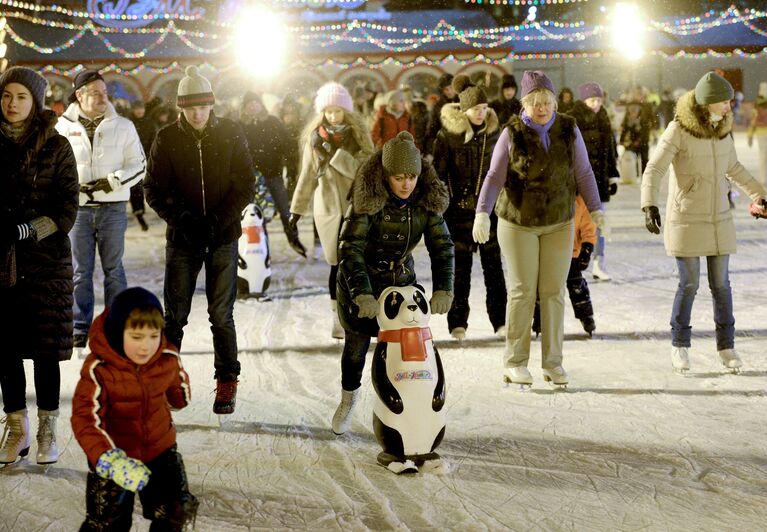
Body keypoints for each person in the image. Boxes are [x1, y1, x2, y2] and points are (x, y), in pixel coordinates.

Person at [472, 70, 603, 388]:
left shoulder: (569, 129)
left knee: (554, 293)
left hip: (559, 221)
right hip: (518, 223)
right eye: (534, 102)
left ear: (555, 102)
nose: (542, 108)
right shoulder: (512, 132)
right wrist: (482, 213)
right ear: (524, 104)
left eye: (546, 101)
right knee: (522, 291)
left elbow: (583, 171)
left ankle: (553, 363)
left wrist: (596, 208)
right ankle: (515, 362)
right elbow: (494, 176)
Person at [144, 66, 255, 414]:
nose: (197, 113)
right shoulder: (167, 137)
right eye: (190, 107)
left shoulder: (230, 133)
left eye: (203, 106)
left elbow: (246, 182)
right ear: (181, 107)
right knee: (174, 315)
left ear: (211, 105)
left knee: (221, 314)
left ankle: (227, 381)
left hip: (223, 236)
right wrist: (183, 219)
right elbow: (153, 189)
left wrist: (221, 218)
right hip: (183, 239)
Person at [641, 71, 767, 374]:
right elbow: (655, 168)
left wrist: (760, 195)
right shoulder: (678, 130)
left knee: (721, 285)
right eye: (724, 101)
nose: (730, 106)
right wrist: (649, 204)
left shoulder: (724, 130)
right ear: (708, 102)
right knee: (689, 283)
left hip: (719, 217)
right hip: (686, 217)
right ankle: (680, 345)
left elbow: (734, 167)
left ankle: (726, 347)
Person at [331, 131, 454, 434]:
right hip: (362, 283)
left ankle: (408, 407)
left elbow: (442, 245)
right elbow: (350, 247)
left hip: (401, 286)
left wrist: (443, 288)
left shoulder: (425, 200)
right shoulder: (367, 200)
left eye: (411, 176)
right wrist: (362, 294)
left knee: (408, 351)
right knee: (357, 348)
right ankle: (348, 398)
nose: (406, 183)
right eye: (399, 177)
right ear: (386, 176)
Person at [0, 67, 79, 465]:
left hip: (46, 262)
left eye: (21, 97)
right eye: (6, 95)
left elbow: (68, 207)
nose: (12, 104)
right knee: (5, 349)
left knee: (46, 348)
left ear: (36, 103)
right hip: (0, 262)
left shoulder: (57, 146)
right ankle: (17, 428)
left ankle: (47, 426)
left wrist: (28, 230)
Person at [71, 287, 197, 530]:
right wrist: (109, 460)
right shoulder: (99, 369)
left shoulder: (165, 358)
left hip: (159, 450)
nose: (146, 347)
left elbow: (179, 399)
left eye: (153, 335)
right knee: (106, 523)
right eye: (136, 337)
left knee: (174, 512)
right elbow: (85, 419)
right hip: (113, 454)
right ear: (119, 334)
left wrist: (178, 379)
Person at [55, 70, 146, 349]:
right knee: (80, 270)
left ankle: (115, 323)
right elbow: (55, 167)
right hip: (78, 211)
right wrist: (70, 189)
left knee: (114, 269)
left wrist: (113, 181)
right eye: (95, 92)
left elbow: (139, 166)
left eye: (104, 93)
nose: (102, 98)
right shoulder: (61, 127)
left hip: (112, 209)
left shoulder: (123, 126)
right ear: (79, 95)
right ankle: (80, 325)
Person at [289, 82, 375, 339]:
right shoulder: (315, 139)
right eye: (328, 112)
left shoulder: (358, 136)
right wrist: (296, 211)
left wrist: (337, 157)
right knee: (335, 264)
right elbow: (306, 176)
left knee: (357, 262)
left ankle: (359, 314)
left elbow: (366, 168)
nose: (333, 117)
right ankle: (338, 318)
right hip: (326, 209)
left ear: (346, 112)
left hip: (355, 207)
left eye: (338, 111)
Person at [433, 74, 507, 340]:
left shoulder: (495, 134)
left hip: (489, 213)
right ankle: (457, 323)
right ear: (464, 110)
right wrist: (442, 205)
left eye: (485, 109)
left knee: (494, 269)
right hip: (458, 213)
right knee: (460, 272)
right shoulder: (448, 136)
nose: (481, 114)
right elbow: (438, 175)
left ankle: (500, 320)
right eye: (476, 109)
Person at [240, 91, 305, 257]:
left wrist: (291, 170)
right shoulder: (239, 126)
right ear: (245, 107)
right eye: (249, 104)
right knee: (257, 215)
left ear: (261, 105)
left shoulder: (272, 122)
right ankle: (263, 248)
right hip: (251, 179)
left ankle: (293, 239)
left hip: (273, 174)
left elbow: (288, 146)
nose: (253, 106)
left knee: (285, 211)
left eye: (255, 103)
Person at [569, 82, 620, 281]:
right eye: (592, 100)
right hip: (579, 181)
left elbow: (610, 150)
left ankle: (599, 262)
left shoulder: (604, 118)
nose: (597, 104)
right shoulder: (574, 119)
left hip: (599, 179)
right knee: (579, 223)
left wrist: (612, 176)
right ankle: (575, 260)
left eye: (599, 100)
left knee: (599, 221)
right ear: (584, 101)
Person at [532, 195, 598, 336]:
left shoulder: (580, 202)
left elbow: (588, 228)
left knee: (577, 287)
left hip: (572, 255)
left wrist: (587, 249)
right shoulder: (546, 198)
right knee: (544, 288)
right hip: (549, 254)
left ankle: (586, 316)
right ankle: (540, 318)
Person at [129, 99, 157, 231]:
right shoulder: (128, 123)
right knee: (135, 185)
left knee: (144, 184)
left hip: (146, 157)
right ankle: (138, 210)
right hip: (131, 158)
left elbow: (154, 140)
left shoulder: (149, 123)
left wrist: (150, 155)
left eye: (141, 108)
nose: (140, 111)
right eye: (137, 108)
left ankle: (144, 207)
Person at [423, 73, 459, 158]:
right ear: (442, 91)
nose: (449, 91)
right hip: (445, 147)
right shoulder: (438, 106)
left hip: (463, 146)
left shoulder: (464, 102)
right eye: (446, 89)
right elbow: (433, 128)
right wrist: (430, 149)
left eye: (451, 88)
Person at [747, 81, 767, 185]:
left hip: (760, 133)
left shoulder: (757, 105)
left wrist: (750, 136)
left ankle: (763, 178)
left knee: (763, 155)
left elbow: (753, 121)